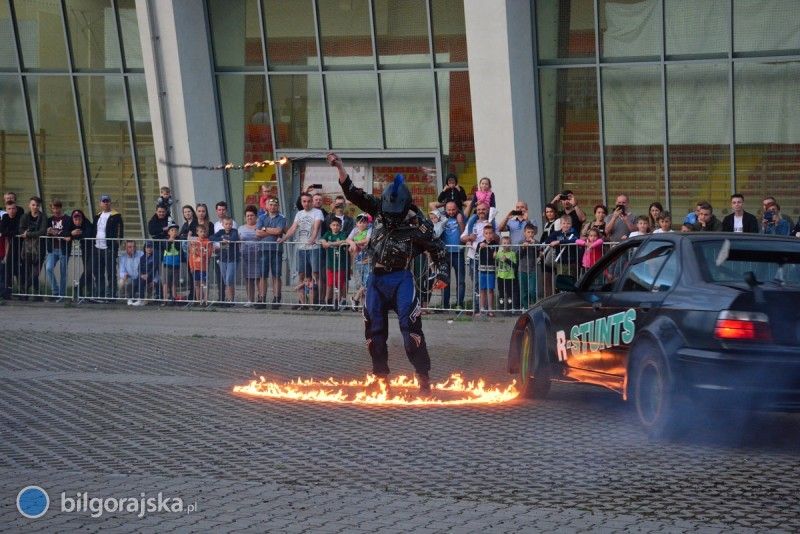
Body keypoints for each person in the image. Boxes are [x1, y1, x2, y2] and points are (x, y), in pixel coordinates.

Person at [329, 152, 448, 393]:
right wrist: (340, 167)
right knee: (373, 329)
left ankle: (423, 375)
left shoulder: (419, 226)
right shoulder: (378, 207)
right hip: (376, 278)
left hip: (401, 278)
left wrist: (442, 275)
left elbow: (439, 250)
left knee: (410, 328)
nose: (390, 217)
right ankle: (380, 375)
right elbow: (352, 192)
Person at [279, 193, 323, 309]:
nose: (306, 203)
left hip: (314, 248)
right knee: (301, 275)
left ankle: (316, 302)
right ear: (301, 202)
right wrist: (284, 239)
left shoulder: (317, 212)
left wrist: (312, 238)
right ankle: (302, 302)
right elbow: (293, 228)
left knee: (315, 274)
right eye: (304, 201)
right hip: (301, 248)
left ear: (312, 202)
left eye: (309, 201)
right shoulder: (299, 214)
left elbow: (316, 227)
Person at [461, 202, 497, 313]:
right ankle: (478, 308)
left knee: (488, 285)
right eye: (479, 209)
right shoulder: (472, 223)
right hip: (474, 257)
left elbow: (498, 239)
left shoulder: (492, 222)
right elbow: (462, 237)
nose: (481, 211)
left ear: (488, 210)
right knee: (477, 283)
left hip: (488, 259)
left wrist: (492, 232)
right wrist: (469, 238)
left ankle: (487, 309)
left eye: (483, 209)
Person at [256, 197, 286, 309]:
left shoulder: (282, 218)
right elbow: (257, 233)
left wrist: (264, 229)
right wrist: (271, 231)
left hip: (276, 250)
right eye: (271, 205)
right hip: (263, 249)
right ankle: (261, 298)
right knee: (262, 275)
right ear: (266, 206)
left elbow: (279, 230)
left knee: (276, 275)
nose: (273, 207)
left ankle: (276, 298)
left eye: (275, 205)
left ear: (278, 206)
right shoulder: (261, 217)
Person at [93, 194, 124, 299]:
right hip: (97, 247)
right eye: (104, 201)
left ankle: (111, 294)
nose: (105, 203)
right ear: (100, 203)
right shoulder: (97, 216)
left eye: (107, 201)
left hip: (109, 248)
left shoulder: (116, 216)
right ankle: (100, 294)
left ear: (110, 203)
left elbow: (120, 232)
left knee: (111, 272)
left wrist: (116, 245)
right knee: (98, 272)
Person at [18, 196, 47, 299]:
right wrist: (27, 233)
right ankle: (37, 294)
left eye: (37, 205)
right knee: (28, 272)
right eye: (33, 205)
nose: (35, 207)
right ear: (29, 205)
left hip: (40, 248)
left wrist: (28, 234)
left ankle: (24, 289)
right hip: (27, 248)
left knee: (36, 272)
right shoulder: (25, 216)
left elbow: (42, 231)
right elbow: (21, 230)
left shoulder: (43, 217)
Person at [319, 217, 350, 310]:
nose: (335, 227)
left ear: (340, 226)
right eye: (334, 225)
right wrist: (324, 242)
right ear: (330, 226)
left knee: (340, 283)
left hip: (341, 264)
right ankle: (328, 302)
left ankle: (340, 301)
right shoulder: (328, 234)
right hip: (330, 264)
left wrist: (330, 244)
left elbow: (343, 241)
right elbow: (322, 240)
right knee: (330, 284)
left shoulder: (342, 234)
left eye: (337, 225)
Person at [440, 201, 466, 310]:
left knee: (460, 280)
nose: (451, 212)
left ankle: (459, 304)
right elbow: (432, 205)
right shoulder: (442, 218)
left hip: (458, 253)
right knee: (445, 280)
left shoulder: (461, 217)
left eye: (453, 209)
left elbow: (464, 234)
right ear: (445, 210)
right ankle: (445, 305)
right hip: (445, 253)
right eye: (449, 210)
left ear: (457, 209)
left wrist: (460, 221)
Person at [44, 198, 71, 300]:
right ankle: (55, 291)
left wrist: (56, 233)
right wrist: (48, 232)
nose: (56, 210)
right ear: (51, 208)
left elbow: (68, 232)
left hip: (64, 249)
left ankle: (62, 295)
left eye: (57, 208)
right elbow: (46, 232)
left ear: (61, 207)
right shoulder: (49, 220)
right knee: (48, 268)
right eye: (54, 208)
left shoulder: (67, 219)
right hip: (52, 249)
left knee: (63, 273)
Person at [239, 205, 264, 307]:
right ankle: (250, 300)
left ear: (256, 216)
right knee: (248, 279)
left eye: (252, 215)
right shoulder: (241, 228)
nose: (249, 217)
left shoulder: (260, 227)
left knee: (259, 278)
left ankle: (260, 298)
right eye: (248, 216)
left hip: (258, 256)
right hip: (246, 257)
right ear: (245, 217)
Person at [346, 213, 372, 310]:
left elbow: (367, 240)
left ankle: (355, 298)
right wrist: (351, 243)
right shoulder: (354, 230)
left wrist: (354, 243)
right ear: (357, 223)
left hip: (367, 259)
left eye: (364, 222)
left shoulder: (369, 230)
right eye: (360, 222)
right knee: (361, 284)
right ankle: (362, 306)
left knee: (367, 282)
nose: (362, 224)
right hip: (357, 260)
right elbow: (347, 239)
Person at [211, 216, 239, 304]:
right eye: (226, 224)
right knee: (225, 280)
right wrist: (221, 239)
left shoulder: (234, 231)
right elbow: (211, 237)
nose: (228, 226)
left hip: (232, 259)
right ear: (223, 224)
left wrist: (227, 240)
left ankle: (231, 299)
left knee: (228, 279)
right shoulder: (221, 232)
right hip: (222, 259)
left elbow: (234, 238)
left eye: (230, 224)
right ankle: (229, 299)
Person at [67, 209, 94, 299]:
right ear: (73, 219)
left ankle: (78, 287)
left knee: (89, 270)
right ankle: (90, 293)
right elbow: (65, 232)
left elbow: (89, 234)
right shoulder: (70, 223)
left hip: (93, 248)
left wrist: (79, 234)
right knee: (88, 271)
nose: (77, 221)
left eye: (79, 219)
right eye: (75, 219)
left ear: (82, 219)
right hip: (85, 249)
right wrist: (71, 233)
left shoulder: (87, 223)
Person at [0, 201, 22, 299]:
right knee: (8, 270)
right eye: (9, 209)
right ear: (6, 210)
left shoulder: (19, 218)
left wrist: (8, 233)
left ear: (16, 209)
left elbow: (18, 230)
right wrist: (10, 233)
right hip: (9, 247)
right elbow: (2, 230)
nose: (11, 211)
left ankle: (22, 292)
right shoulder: (5, 217)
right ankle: (7, 292)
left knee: (19, 270)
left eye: (13, 208)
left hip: (19, 246)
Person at [188, 225, 213, 306]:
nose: (202, 233)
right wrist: (191, 266)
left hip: (204, 267)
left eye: (204, 232)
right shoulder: (194, 242)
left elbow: (208, 254)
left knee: (204, 284)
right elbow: (191, 255)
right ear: (197, 232)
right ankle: (198, 300)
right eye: (201, 231)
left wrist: (198, 252)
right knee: (196, 284)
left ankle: (205, 300)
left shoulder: (207, 242)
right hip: (195, 267)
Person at [476, 225, 497, 318]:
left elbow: (494, 255)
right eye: (486, 233)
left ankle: (490, 309)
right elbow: (477, 255)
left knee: (490, 290)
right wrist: (480, 247)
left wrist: (488, 247)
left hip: (491, 270)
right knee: (482, 290)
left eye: (490, 233)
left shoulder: (495, 244)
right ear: (483, 234)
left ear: (493, 234)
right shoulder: (480, 244)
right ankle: (482, 309)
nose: (488, 235)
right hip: (482, 270)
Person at [494, 235, 517, 314]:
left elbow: (515, 265)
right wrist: (494, 257)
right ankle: (501, 308)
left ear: (510, 244)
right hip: (500, 276)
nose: (506, 244)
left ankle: (509, 308)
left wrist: (507, 260)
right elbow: (496, 263)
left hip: (509, 277)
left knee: (509, 293)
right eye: (504, 243)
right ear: (501, 244)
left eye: (507, 243)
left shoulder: (512, 254)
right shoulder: (499, 253)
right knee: (501, 293)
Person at [517, 223, 538, 309]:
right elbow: (518, 255)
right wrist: (523, 248)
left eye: (532, 232)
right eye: (528, 232)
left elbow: (538, 254)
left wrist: (534, 246)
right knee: (524, 291)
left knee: (532, 290)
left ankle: (534, 305)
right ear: (524, 233)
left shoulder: (536, 242)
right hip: (522, 269)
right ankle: (525, 307)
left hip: (532, 269)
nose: (530, 234)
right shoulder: (521, 242)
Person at [161, 223, 182, 304]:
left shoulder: (178, 241)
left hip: (176, 264)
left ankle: (174, 299)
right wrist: (170, 241)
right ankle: (165, 299)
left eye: (176, 230)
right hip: (167, 264)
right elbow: (167, 249)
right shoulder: (165, 241)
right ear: (169, 232)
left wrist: (175, 241)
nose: (174, 232)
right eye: (172, 230)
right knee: (166, 283)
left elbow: (178, 248)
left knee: (174, 283)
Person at [119, 240, 144, 305]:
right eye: (130, 247)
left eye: (134, 246)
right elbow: (121, 271)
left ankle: (143, 299)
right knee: (121, 281)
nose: (132, 248)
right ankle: (128, 298)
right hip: (130, 277)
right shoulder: (123, 257)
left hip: (140, 277)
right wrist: (125, 275)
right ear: (125, 248)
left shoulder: (141, 254)